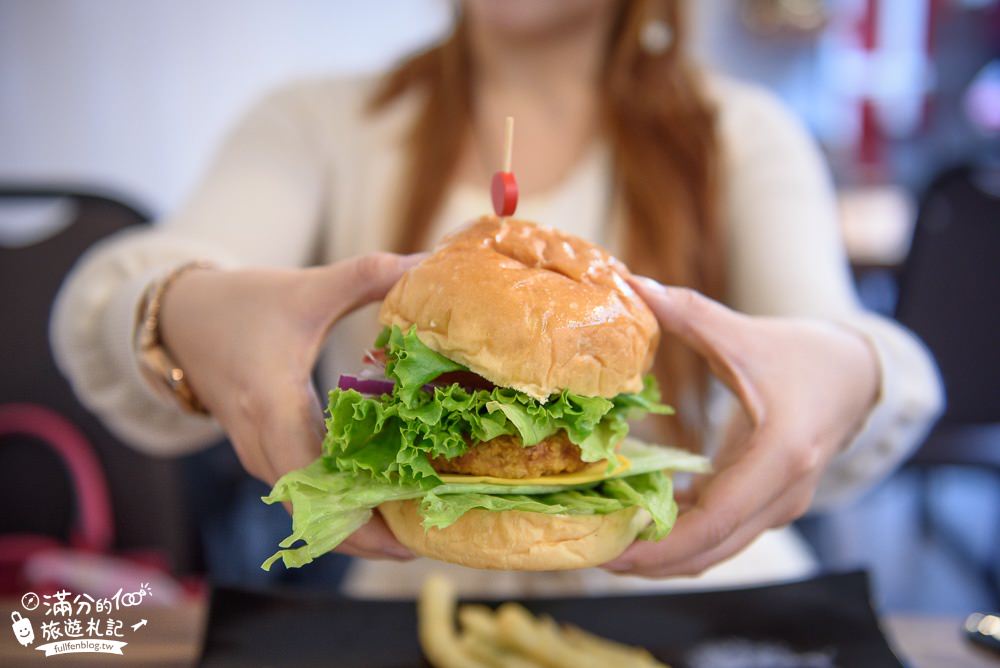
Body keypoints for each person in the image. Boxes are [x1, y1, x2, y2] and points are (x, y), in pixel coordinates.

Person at [52, 0, 942, 596]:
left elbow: (876, 354)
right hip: (408, 610)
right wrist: (187, 310)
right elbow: (108, 291)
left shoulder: (741, 135)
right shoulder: (316, 123)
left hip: (710, 604)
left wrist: (846, 372)